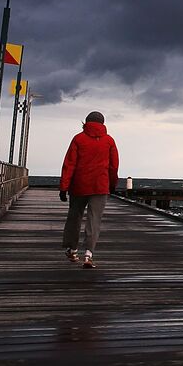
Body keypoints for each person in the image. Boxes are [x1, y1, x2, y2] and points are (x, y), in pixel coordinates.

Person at [60, 110, 119, 268]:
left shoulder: (78, 139)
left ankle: (72, 249)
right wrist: (112, 185)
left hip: (79, 185)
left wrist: (63, 187)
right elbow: (113, 166)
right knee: (94, 220)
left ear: (86, 122)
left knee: (75, 216)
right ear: (103, 123)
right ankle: (88, 254)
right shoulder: (109, 141)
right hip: (100, 186)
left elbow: (69, 164)